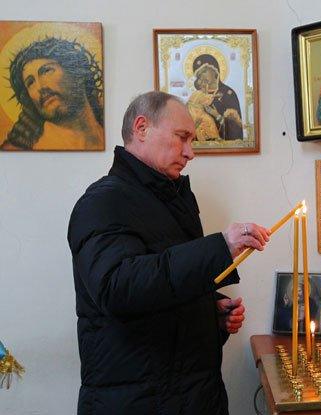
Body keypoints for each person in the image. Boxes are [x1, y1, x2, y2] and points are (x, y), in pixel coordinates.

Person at [67, 91, 270, 415]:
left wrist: (209, 311)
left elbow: (164, 285)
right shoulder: (102, 202)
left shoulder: (174, 199)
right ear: (142, 128)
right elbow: (117, 288)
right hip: (137, 402)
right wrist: (220, 247)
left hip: (192, 395)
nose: (190, 152)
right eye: (182, 138)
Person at [2, 37, 104, 150]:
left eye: (47, 71)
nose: (40, 87)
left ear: (77, 73)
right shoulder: (19, 149)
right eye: (30, 82)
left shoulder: (108, 130)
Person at [187, 54, 243, 141]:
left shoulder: (228, 94)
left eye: (204, 71)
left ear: (215, 70)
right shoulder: (197, 96)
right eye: (199, 74)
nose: (202, 76)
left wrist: (217, 115)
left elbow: (235, 127)